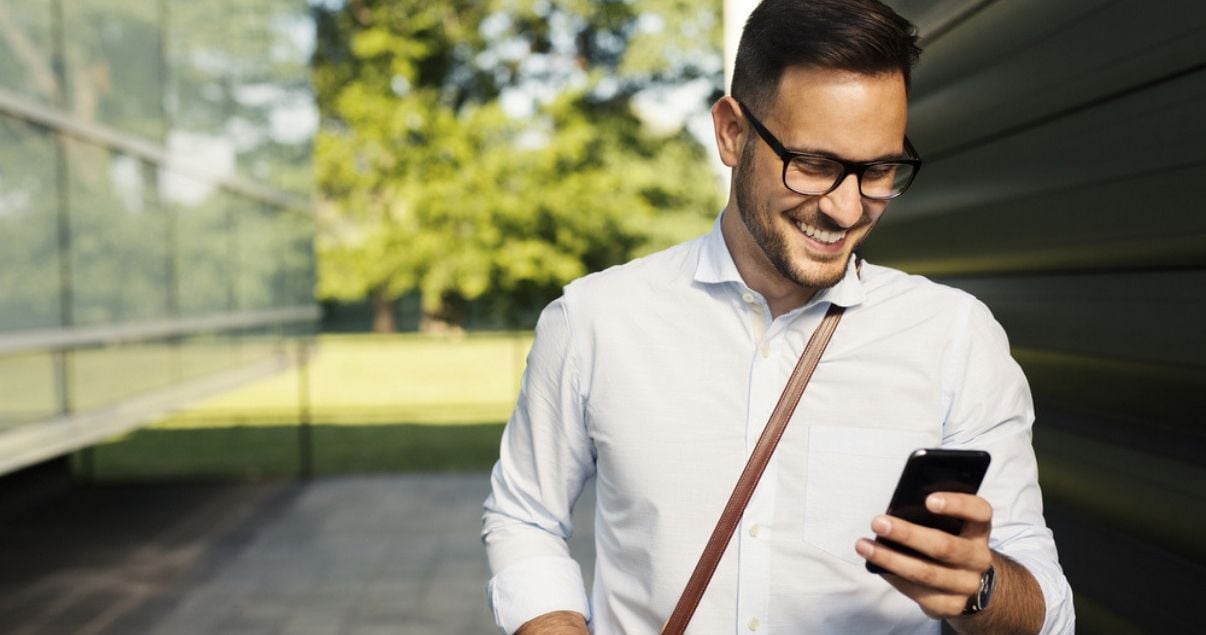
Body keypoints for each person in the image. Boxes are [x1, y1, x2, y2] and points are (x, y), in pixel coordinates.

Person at [481, 0, 1075, 633]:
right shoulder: (594, 320)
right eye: (815, 165)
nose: (847, 210)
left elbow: (1046, 606)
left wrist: (978, 587)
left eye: (877, 170)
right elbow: (526, 517)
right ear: (732, 133)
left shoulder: (958, 338)